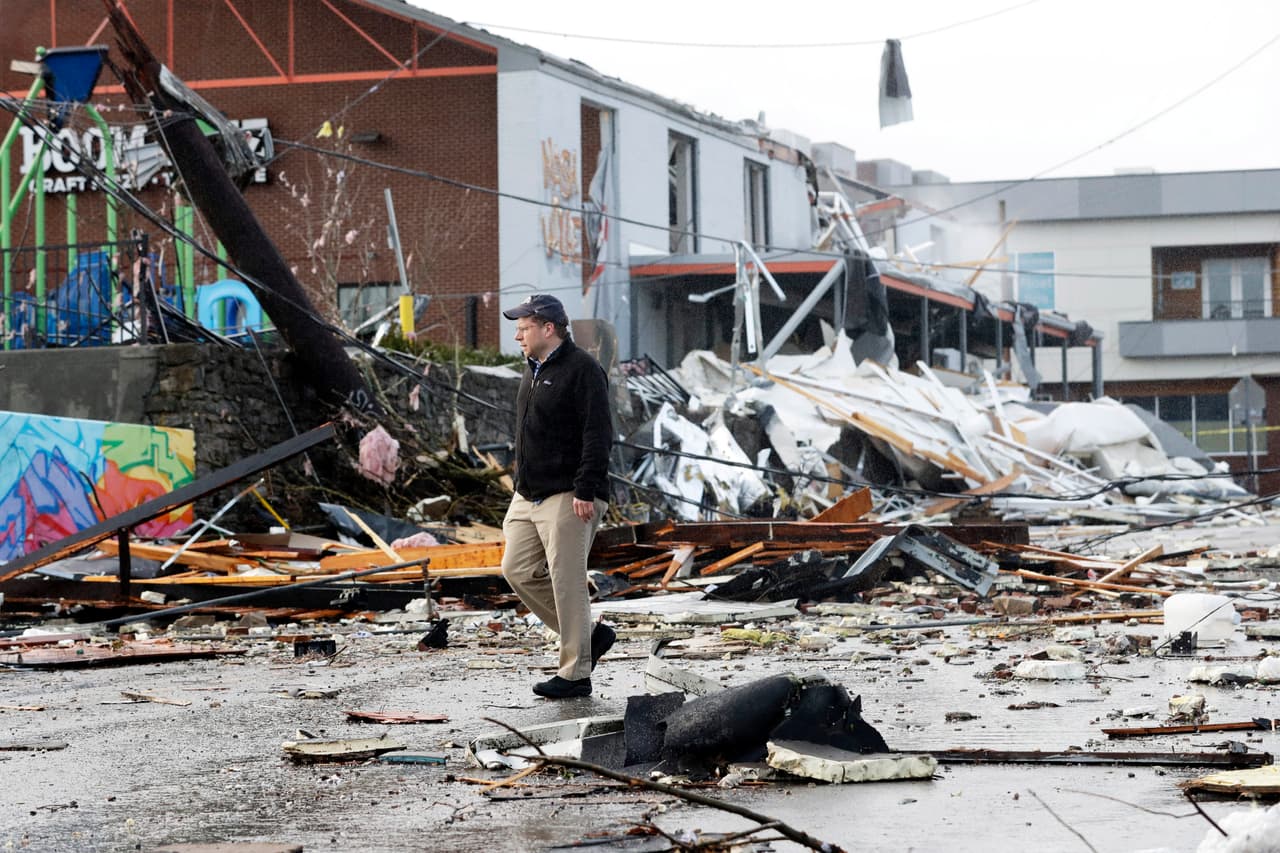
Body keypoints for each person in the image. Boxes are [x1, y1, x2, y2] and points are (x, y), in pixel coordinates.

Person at [500, 293, 615, 699]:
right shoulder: (533, 368)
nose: (517, 335)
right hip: (528, 494)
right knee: (517, 570)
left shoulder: (583, 369)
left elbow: (598, 433)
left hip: (570, 494)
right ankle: (591, 638)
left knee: (567, 584)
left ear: (549, 328)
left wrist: (586, 487)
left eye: (524, 327)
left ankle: (575, 674)